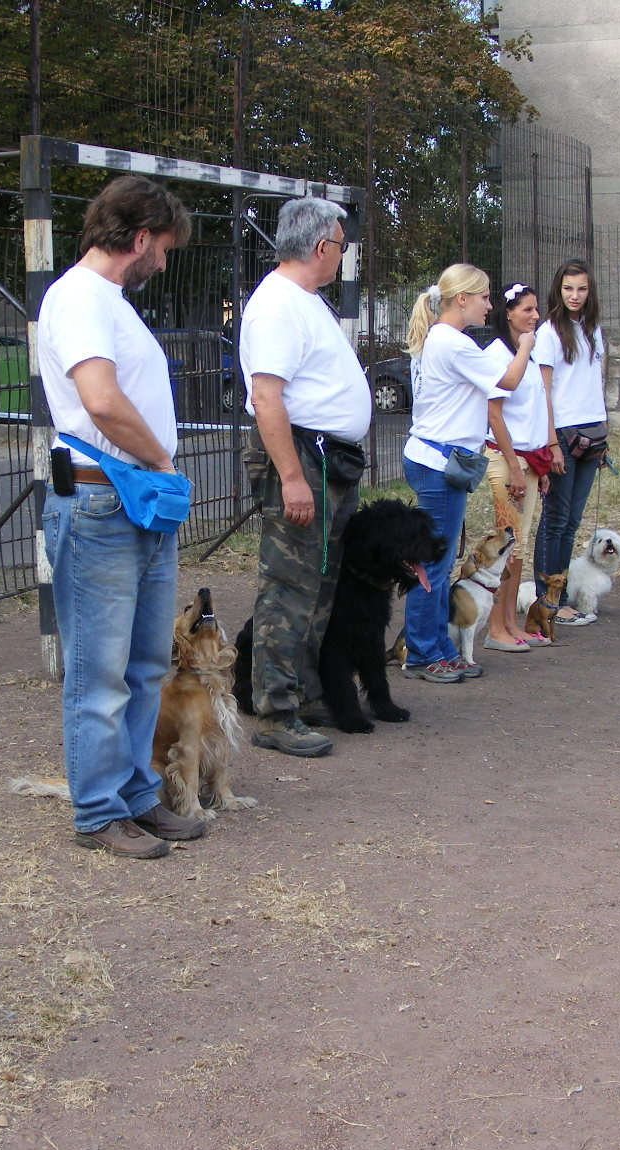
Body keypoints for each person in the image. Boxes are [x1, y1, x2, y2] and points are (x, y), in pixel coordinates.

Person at [36, 175, 207, 857]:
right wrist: (162, 464)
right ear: (138, 239)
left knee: (141, 664)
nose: (163, 262)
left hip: (132, 499)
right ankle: (100, 810)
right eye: (162, 249)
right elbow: (100, 401)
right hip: (105, 496)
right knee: (101, 672)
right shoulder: (78, 297)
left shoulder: (107, 300)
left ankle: (135, 794)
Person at [242, 197, 371, 757]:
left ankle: (306, 692)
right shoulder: (275, 306)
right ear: (322, 247)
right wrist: (292, 479)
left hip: (328, 461)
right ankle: (274, 710)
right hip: (301, 460)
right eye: (342, 246)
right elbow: (266, 399)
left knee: (320, 584)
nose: (343, 256)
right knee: (290, 587)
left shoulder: (305, 301)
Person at [401, 264, 534, 682]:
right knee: (433, 566)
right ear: (462, 299)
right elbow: (508, 381)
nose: (489, 306)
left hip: (438, 461)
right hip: (439, 464)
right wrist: (527, 345)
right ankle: (422, 653)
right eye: (485, 297)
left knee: (438, 564)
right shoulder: (452, 342)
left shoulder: (439, 339)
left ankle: (438, 645)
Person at [533, 258, 606, 625]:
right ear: (558, 290)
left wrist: (603, 435)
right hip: (563, 433)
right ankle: (546, 599)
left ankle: (557, 594)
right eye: (568, 288)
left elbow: (593, 382)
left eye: (581, 289)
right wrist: (552, 443)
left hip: (593, 432)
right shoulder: (549, 331)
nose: (575, 296)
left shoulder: (592, 329)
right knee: (556, 519)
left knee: (572, 520)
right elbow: (543, 390)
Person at [481, 282, 550, 649]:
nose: (535, 316)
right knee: (507, 545)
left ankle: (510, 623)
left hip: (530, 459)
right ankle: (495, 629)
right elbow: (494, 414)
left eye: (536, 309)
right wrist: (513, 465)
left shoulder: (528, 353)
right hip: (507, 459)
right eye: (527, 309)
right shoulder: (497, 355)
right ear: (508, 313)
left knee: (519, 547)